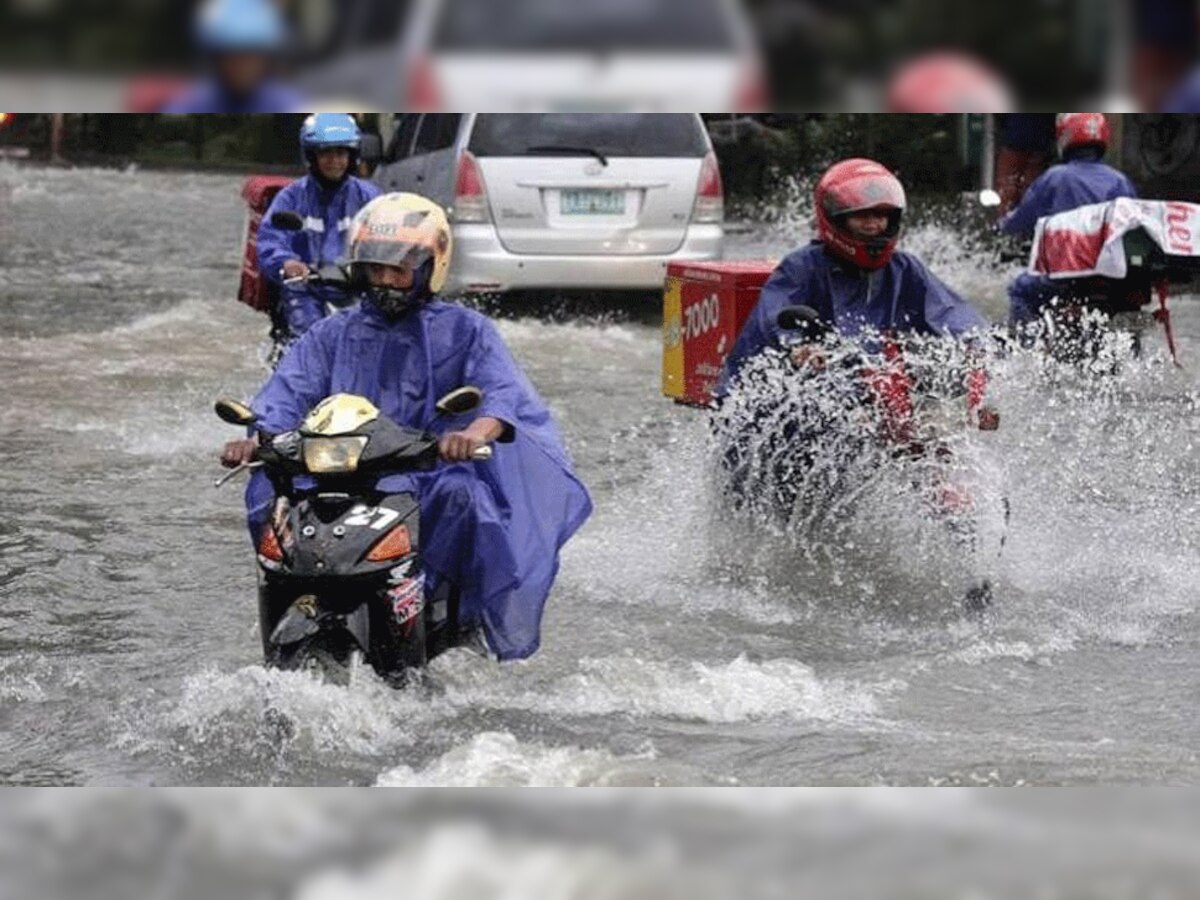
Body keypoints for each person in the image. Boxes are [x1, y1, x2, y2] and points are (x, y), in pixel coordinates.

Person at [220, 193, 593, 661]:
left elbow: (500, 393)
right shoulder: (331, 333)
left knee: (466, 498)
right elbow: (285, 393)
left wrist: (472, 436)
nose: (385, 282)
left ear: (430, 267)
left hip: (423, 473)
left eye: (398, 270)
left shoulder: (467, 331)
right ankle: (288, 602)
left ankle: (449, 614)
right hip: (335, 473)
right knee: (264, 491)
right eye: (375, 270)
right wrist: (254, 439)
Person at [719, 158, 996, 424]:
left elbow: (952, 312)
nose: (874, 224)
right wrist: (797, 346)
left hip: (866, 391)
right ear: (836, 218)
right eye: (861, 216)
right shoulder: (802, 266)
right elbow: (775, 315)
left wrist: (977, 345)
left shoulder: (904, 268)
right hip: (776, 400)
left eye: (880, 215)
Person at [998, 113, 1139, 328]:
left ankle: (1025, 354)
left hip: (1064, 276)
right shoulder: (1120, 181)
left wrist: (1005, 223)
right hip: (1113, 276)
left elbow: (1021, 219)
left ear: (1065, 138)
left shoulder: (1055, 177)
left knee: (1019, 289)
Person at [255, 113, 382, 347]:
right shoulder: (291, 197)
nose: (334, 160)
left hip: (358, 289)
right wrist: (286, 263)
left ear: (352, 156)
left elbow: (389, 237)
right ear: (312, 156)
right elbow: (270, 240)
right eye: (326, 153)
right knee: (309, 343)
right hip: (305, 289)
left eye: (341, 153)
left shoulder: (370, 197)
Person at [162, 0, 307, 113]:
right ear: (217, 58)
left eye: (250, 55)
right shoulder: (191, 104)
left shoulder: (285, 103)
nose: (242, 66)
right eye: (234, 56)